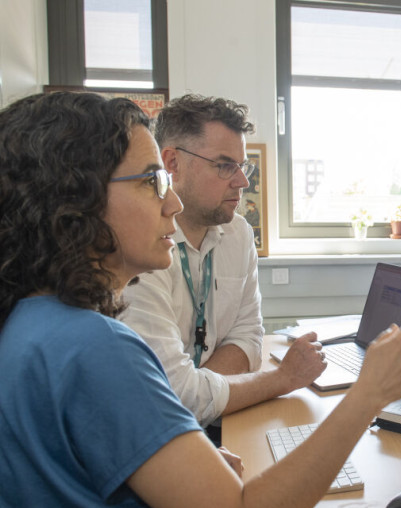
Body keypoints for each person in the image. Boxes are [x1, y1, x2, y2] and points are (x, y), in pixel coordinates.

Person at [0, 91, 401, 508]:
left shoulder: (31, 322)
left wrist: (179, 466)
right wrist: (369, 394)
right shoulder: (96, 349)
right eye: (150, 182)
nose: (172, 202)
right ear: (75, 201)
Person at [121, 94, 324, 431]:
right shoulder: (141, 251)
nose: (242, 182)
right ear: (172, 163)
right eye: (225, 165)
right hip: (160, 433)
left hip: (216, 421)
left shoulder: (238, 233)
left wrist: (200, 391)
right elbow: (173, 397)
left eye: (242, 166)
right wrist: (284, 378)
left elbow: (248, 337)